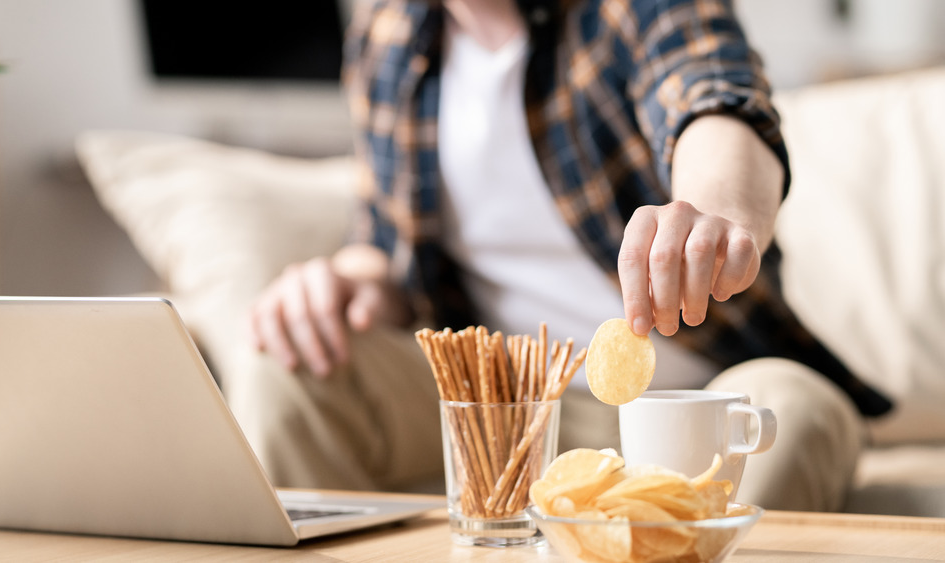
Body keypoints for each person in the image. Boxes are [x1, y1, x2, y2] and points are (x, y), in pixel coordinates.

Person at [247, 0, 892, 511]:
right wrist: (346, 282)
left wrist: (712, 213)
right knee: (296, 371)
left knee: (789, 412)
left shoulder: (630, 7)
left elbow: (714, 99)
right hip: (509, 404)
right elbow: (386, 248)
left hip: (702, 389)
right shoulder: (385, 32)